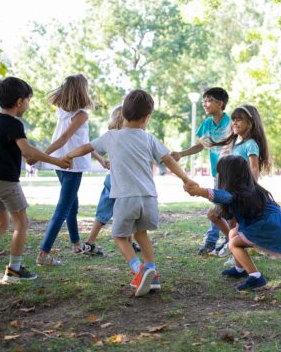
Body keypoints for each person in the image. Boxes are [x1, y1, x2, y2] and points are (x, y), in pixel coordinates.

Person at [66, 89, 197, 297]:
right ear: (147, 118)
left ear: (123, 114)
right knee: (141, 234)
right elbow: (169, 160)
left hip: (126, 198)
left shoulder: (111, 136)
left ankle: (139, 270)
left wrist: (69, 155)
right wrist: (186, 179)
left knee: (119, 236)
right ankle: (152, 271)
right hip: (149, 198)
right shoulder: (149, 139)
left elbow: (87, 147)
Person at [0, 77, 71, 285]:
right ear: (19, 102)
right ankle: (14, 270)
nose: (28, 104)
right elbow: (27, 151)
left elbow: (19, 152)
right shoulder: (14, 124)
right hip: (6, 183)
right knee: (21, 224)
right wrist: (57, 161)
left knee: (0, 222)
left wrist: (32, 156)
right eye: (28, 100)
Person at [185, 155, 281, 291]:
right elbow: (231, 228)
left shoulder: (238, 193)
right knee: (233, 235)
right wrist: (216, 218)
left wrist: (200, 191)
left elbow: (224, 196)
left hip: (268, 226)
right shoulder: (247, 190)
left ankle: (256, 278)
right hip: (271, 224)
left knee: (233, 243)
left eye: (219, 173)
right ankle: (240, 269)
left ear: (229, 176)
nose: (217, 176)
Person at [33, 74, 102, 266]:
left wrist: (100, 158)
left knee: (72, 204)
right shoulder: (80, 115)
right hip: (71, 164)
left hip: (61, 164)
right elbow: (64, 139)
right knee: (63, 208)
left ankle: (76, 244)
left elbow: (83, 142)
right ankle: (43, 254)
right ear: (82, 90)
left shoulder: (63, 112)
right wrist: (40, 155)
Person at [170, 87, 231, 255]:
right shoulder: (207, 124)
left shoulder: (231, 122)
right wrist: (181, 154)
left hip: (232, 174)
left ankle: (213, 242)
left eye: (209, 100)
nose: (205, 103)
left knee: (220, 207)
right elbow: (200, 146)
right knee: (220, 207)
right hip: (217, 173)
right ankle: (226, 240)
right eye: (204, 100)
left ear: (220, 103)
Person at [207, 104, 271, 259]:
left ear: (250, 123)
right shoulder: (236, 142)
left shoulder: (250, 144)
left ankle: (236, 253)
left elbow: (254, 168)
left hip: (241, 191)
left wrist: (252, 188)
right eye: (233, 119)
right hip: (230, 189)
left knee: (232, 222)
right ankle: (232, 244)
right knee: (214, 215)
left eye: (239, 120)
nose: (234, 122)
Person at [81, 105, 141, 256]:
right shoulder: (134, 136)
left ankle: (90, 242)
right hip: (125, 181)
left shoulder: (111, 136)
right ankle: (128, 242)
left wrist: (104, 160)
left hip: (112, 179)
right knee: (128, 210)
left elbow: (90, 147)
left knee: (103, 212)